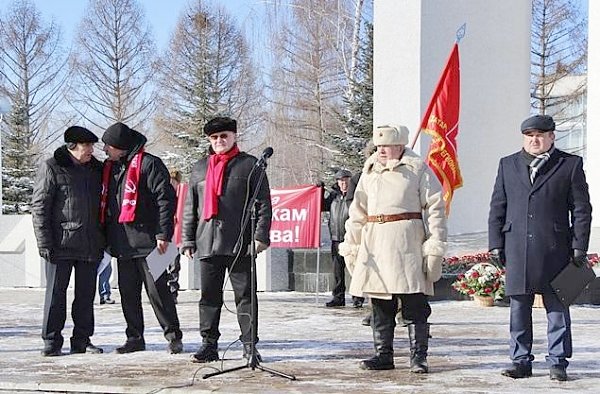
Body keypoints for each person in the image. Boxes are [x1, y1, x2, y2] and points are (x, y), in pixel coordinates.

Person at [488, 114, 592, 382]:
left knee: (557, 310)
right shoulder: (508, 164)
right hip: (518, 248)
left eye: (540, 135)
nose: (535, 140)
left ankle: (558, 362)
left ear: (551, 137)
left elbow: (581, 210)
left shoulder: (569, 165)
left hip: (556, 249)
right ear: (524, 137)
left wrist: (580, 246)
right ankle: (521, 361)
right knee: (519, 309)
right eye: (529, 136)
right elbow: (498, 207)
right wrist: (495, 244)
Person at [339, 124, 447, 372]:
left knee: (414, 302)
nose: (381, 150)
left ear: (400, 145)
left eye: (386, 145)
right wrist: (352, 244)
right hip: (375, 243)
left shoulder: (418, 169)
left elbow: (435, 209)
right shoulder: (369, 172)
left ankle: (418, 357)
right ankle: (383, 355)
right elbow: (357, 212)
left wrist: (434, 246)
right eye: (378, 146)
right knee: (380, 303)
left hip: (407, 242)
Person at [181, 116, 272, 363]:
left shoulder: (250, 165)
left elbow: (264, 203)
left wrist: (260, 237)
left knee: (246, 297)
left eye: (224, 136)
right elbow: (190, 207)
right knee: (208, 298)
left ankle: (250, 345)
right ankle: (208, 344)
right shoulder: (199, 167)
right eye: (214, 137)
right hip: (207, 242)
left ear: (234, 137)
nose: (219, 141)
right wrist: (187, 239)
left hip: (239, 244)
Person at [100, 122, 183, 354]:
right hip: (123, 243)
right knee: (128, 293)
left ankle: (173, 335)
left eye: (108, 146)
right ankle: (134, 337)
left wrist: (163, 234)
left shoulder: (150, 164)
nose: (105, 150)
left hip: (152, 242)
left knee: (159, 292)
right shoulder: (111, 168)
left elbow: (166, 200)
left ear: (121, 147)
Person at [31, 126, 105, 356]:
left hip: (90, 243)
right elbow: (40, 206)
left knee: (85, 296)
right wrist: (44, 242)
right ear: (72, 147)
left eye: (93, 146)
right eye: (87, 146)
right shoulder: (52, 166)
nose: (91, 150)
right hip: (60, 244)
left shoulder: (96, 169)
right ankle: (52, 341)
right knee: (55, 295)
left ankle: (82, 340)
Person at [323, 169, 365, 308]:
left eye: (346, 180)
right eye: (341, 181)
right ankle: (338, 297)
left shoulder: (355, 195)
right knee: (337, 270)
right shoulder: (334, 196)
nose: (343, 183)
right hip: (336, 238)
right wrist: (320, 190)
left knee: (355, 268)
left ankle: (357, 297)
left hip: (351, 238)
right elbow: (322, 206)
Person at [167, 169, 183, 304]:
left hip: (175, 234)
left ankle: (172, 291)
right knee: (161, 265)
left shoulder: (181, 197)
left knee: (174, 265)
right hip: (165, 233)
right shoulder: (165, 194)